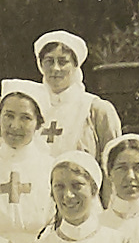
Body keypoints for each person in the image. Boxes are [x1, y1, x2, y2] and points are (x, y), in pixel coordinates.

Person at [0, 79, 58, 243]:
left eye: (25, 118)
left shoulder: (51, 168)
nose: (15, 126)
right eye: (8, 115)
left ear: (39, 123)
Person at [33, 30, 122, 163]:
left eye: (63, 62)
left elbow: (113, 164)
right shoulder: (31, 106)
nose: (56, 68)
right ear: (40, 65)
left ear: (75, 65)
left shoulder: (96, 110)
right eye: (49, 61)